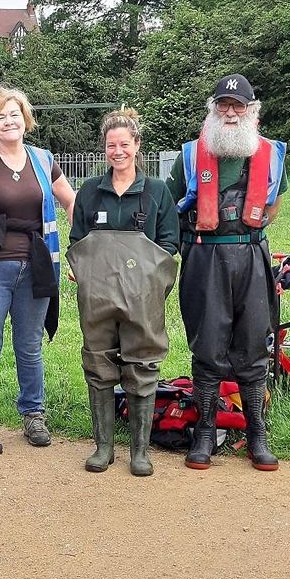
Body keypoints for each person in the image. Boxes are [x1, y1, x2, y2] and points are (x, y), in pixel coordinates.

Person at [166, 73, 287, 472]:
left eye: (238, 106)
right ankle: (204, 431)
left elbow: (273, 208)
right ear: (213, 110)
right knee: (207, 345)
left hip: (251, 258)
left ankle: (257, 432)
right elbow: (170, 210)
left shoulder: (272, 153)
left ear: (252, 111)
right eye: (224, 105)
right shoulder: (189, 155)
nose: (230, 112)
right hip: (205, 258)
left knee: (254, 345)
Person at [0, 87, 76, 455]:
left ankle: (34, 416)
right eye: (0, 116)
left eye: (14, 114)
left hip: (37, 266)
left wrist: (80, 248)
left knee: (29, 347)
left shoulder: (43, 160)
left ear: (25, 119)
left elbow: (71, 201)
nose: (9, 121)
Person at [69, 108, 179, 476]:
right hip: (97, 296)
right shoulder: (89, 192)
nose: (118, 151)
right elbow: (77, 241)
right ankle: (103, 448)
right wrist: (81, 272)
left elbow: (170, 244)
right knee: (98, 363)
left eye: (124, 144)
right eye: (111, 145)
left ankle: (139, 451)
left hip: (142, 298)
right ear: (104, 149)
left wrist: (148, 281)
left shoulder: (157, 192)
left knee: (142, 364)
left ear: (137, 146)